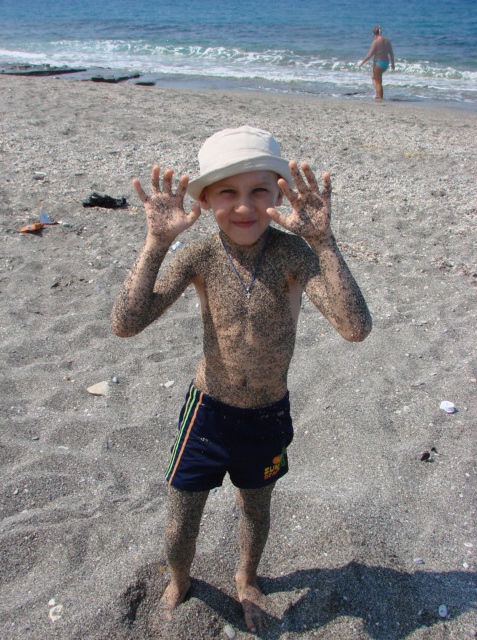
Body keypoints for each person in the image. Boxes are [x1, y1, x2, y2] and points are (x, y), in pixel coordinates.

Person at [111, 126, 372, 633]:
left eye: (259, 190)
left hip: (267, 415)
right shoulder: (200, 256)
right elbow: (126, 323)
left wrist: (323, 242)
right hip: (208, 411)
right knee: (182, 516)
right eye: (227, 192)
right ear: (206, 201)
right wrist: (157, 243)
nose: (244, 205)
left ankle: (247, 578)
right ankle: (180, 577)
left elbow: (354, 327)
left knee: (256, 508)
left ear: (280, 194)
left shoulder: (294, 255)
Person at [359, 25, 395, 100]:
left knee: (377, 82)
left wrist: (362, 62)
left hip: (378, 64)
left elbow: (369, 55)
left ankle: (380, 97)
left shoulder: (375, 42)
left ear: (374, 34)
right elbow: (391, 53)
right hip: (386, 63)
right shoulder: (387, 41)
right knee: (375, 78)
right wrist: (392, 64)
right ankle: (378, 94)